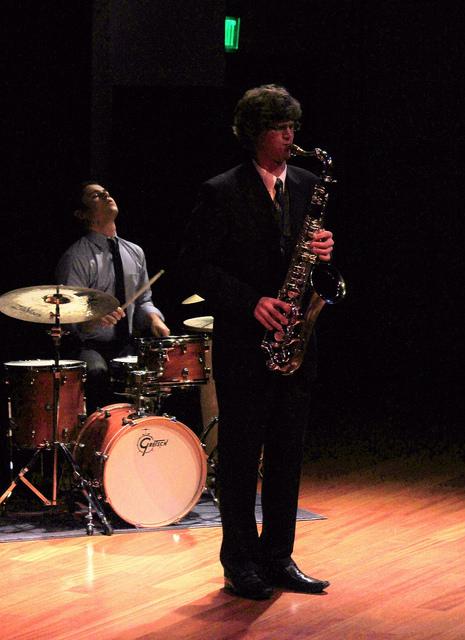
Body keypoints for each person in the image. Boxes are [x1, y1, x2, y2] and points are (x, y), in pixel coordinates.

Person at [179, 85, 335, 599]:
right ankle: (239, 562)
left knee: (288, 456)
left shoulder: (310, 184)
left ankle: (279, 556)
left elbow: (318, 269)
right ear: (254, 134)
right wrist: (251, 302)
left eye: (293, 126)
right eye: (278, 128)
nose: (290, 136)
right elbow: (196, 266)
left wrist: (325, 254)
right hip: (246, 345)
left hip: (296, 344)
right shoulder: (220, 191)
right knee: (243, 459)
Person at [56, 181, 170, 413]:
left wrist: (155, 320)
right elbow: (67, 314)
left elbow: (144, 300)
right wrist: (93, 319)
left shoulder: (135, 252)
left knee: (156, 374)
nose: (106, 194)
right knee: (97, 372)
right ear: (82, 214)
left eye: (106, 191)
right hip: (89, 346)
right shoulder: (76, 257)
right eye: (96, 196)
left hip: (125, 344)